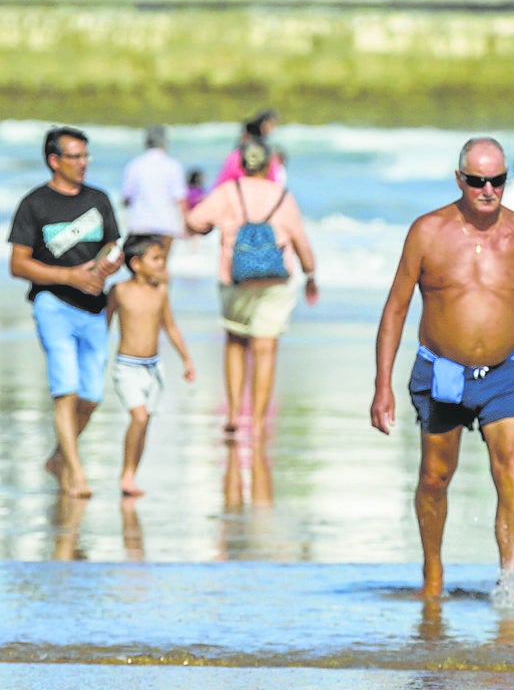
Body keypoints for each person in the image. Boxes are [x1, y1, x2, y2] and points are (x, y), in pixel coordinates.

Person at [370, 137, 514, 599]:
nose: (487, 190)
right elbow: (395, 309)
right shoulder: (428, 231)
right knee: (434, 475)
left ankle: (510, 580)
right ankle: (433, 574)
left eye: (497, 181)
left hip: (507, 372)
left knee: (511, 463)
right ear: (459, 179)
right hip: (442, 371)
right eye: (477, 181)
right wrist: (382, 386)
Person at [7, 126, 123, 499]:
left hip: (93, 307)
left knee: (91, 397)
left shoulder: (99, 199)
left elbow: (110, 245)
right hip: (51, 304)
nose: (84, 163)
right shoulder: (34, 205)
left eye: (87, 155)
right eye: (76, 156)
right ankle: (76, 475)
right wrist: (70, 276)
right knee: (66, 391)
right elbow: (18, 264)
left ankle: (58, 457)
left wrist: (103, 267)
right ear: (54, 161)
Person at [185, 137, 318, 440]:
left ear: (242, 163)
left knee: (235, 342)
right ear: (271, 163)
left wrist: (210, 228)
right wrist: (311, 274)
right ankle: (257, 421)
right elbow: (300, 240)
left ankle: (233, 414)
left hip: (235, 278)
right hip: (276, 281)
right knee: (265, 348)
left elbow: (194, 221)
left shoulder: (227, 192)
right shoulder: (283, 196)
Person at [105, 234, 195, 497]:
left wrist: (186, 359)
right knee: (139, 416)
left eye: (162, 259)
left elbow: (170, 327)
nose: (161, 264)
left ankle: (132, 472)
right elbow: (103, 325)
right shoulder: (119, 291)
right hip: (127, 367)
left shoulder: (161, 292)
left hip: (153, 369)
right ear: (136, 263)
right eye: (155, 259)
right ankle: (126, 474)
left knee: (145, 423)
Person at [121, 125, 189, 258]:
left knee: (141, 270)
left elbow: (126, 198)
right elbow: (180, 199)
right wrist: (185, 224)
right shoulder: (173, 165)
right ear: (164, 141)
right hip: (166, 225)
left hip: (141, 225)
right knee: (161, 267)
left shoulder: (135, 165)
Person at [213, 109, 286, 187]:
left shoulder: (236, 154)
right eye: (271, 124)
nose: (272, 128)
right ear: (264, 122)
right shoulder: (256, 140)